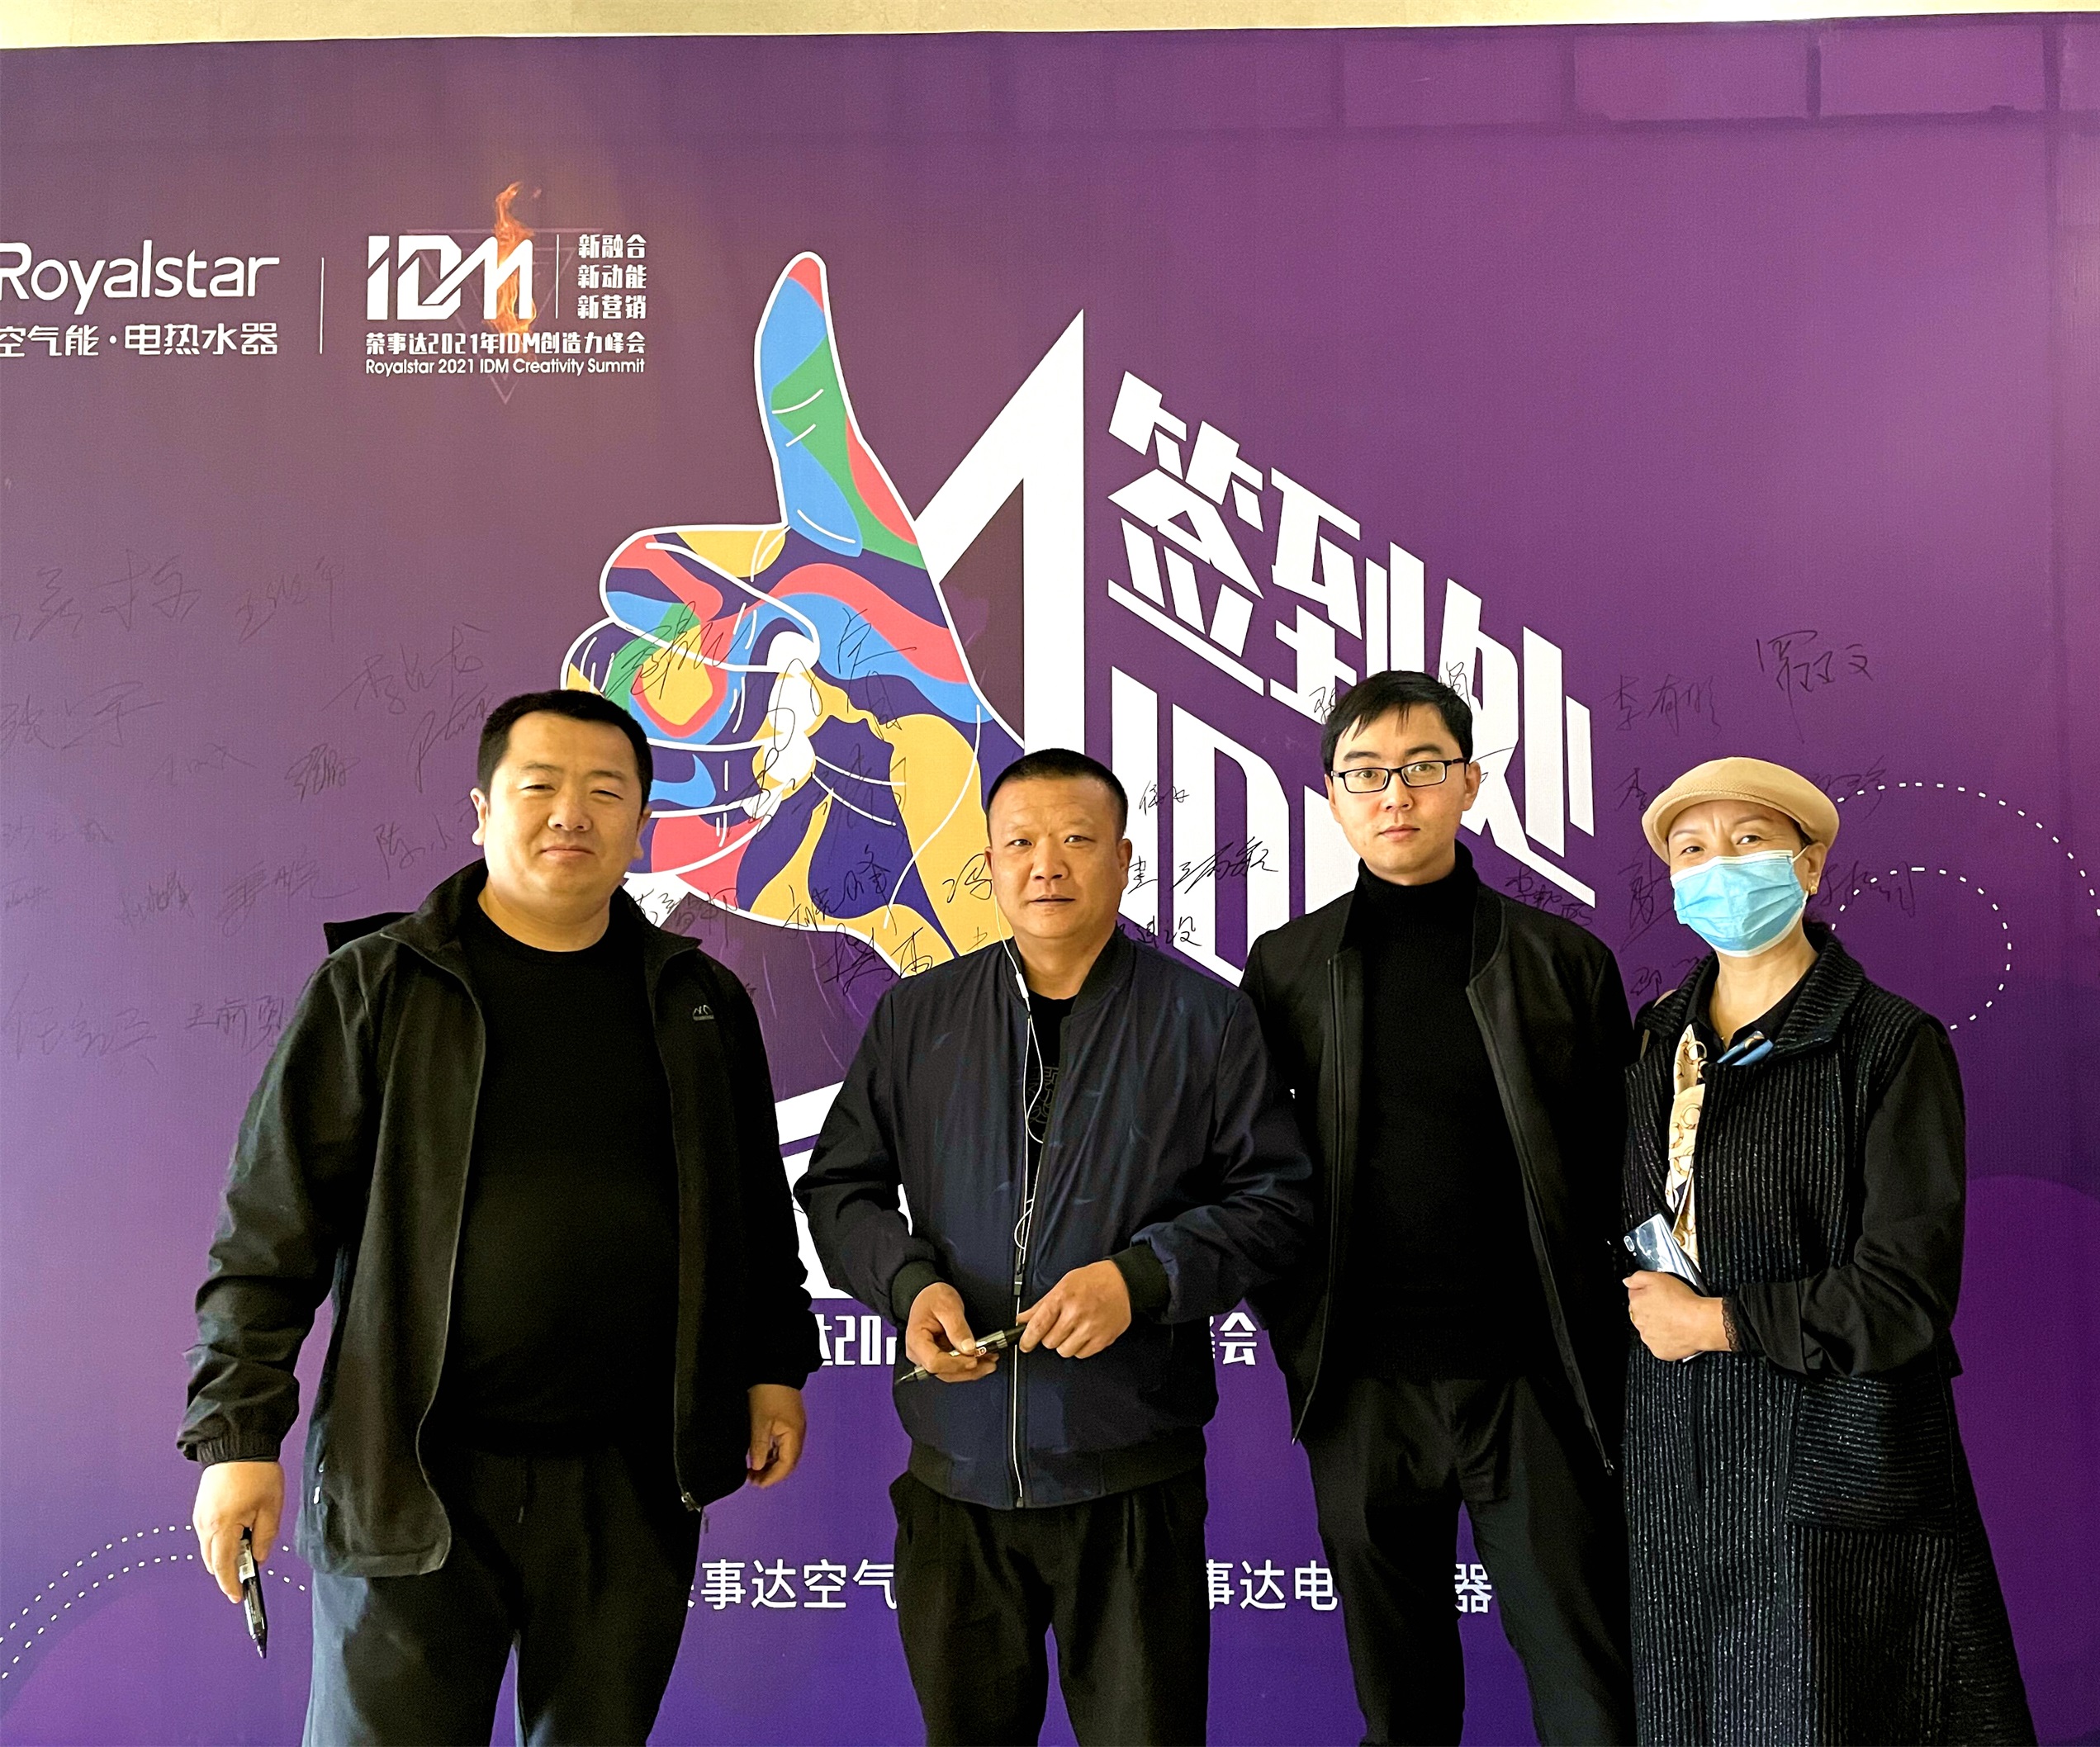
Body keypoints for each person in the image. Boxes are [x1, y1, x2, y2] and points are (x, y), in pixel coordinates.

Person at [180, 689, 821, 1747]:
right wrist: (238, 1437)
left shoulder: (696, 999)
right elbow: (268, 1228)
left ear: (640, 823)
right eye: (540, 786)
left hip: (628, 1477)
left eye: (605, 791)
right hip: (414, 1472)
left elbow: (753, 1208)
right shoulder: (378, 987)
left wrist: (772, 1365)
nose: (571, 812)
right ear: (482, 811)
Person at [798, 746, 1313, 1747]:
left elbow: (1277, 1199)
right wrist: (908, 1286)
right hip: (954, 1482)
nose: (1047, 864)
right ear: (988, 863)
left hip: (1131, 1482)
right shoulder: (917, 1016)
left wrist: (1140, 1278)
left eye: (1077, 839)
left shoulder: (1205, 1018)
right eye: (1021, 843)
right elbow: (838, 1189)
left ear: (1122, 859)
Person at [1240, 670, 1635, 1747]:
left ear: (1469, 781)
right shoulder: (1286, 968)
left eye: (1420, 767)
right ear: (1332, 797)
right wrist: (1299, 1323)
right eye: (1364, 774)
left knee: (1590, 1696)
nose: (1394, 795)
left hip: (1533, 1382)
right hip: (1360, 1386)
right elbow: (1247, 1172)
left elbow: (1626, 1171)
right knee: (1400, 1707)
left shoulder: (1563, 962)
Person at [1620, 756, 2034, 1745]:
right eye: (1692, 850)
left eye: (1748, 841)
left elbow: (1902, 1291)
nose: (1718, 868)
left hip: (1832, 1459)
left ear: (1806, 866)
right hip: (1677, 1461)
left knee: (1828, 1713)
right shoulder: (1657, 1039)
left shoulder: (1886, 1043)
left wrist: (1716, 1322)